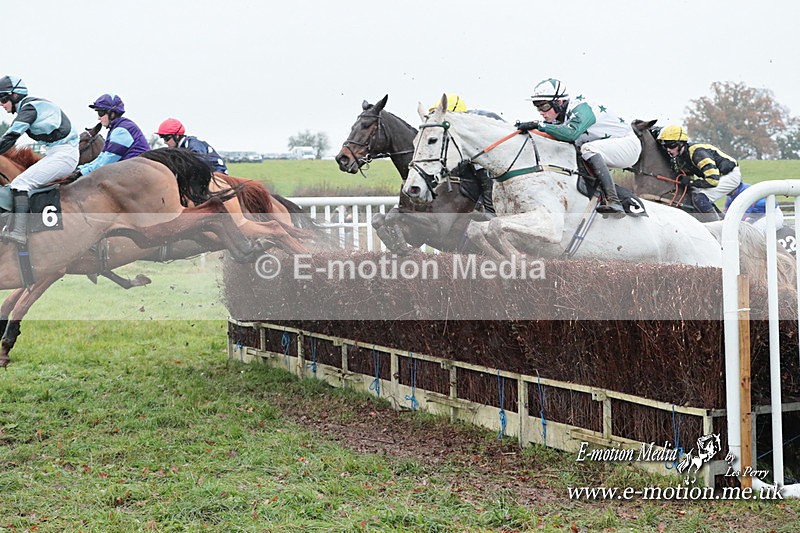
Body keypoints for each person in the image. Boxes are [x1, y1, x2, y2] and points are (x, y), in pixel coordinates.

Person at [514, 78, 641, 215]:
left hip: (627, 145)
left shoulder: (581, 107)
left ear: (559, 102)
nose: (541, 112)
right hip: (607, 148)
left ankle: (614, 201)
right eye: (538, 107)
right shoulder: (558, 118)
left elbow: (570, 134)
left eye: (544, 106)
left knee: (588, 149)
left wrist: (539, 125)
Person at [0, 75, 79, 244]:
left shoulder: (29, 108)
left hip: (64, 154)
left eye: (3, 98)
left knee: (20, 184)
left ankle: (19, 232)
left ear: (15, 96)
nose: (1, 104)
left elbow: (11, 136)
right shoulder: (29, 106)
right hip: (57, 153)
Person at [428, 94, 498, 214]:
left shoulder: (479, 119)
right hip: (473, 163)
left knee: (486, 186)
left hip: (489, 165)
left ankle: (491, 214)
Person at [657, 124, 742, 219]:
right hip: (719, 176)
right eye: (665, 146)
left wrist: (691, 182)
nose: (668, 149)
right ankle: (723, 219)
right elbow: (688, 176)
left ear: (681, 143)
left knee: (700, 198)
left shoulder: (697, 153)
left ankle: (717, 225)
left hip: (730, 175)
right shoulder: (680, 156)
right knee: (696, 196)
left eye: (671, 145)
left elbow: (712, 181)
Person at [71, 94, 150, 179]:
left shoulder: (121, 130)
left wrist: (82, 173)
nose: (98, 118)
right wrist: (80, 169)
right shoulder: (115, 129)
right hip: (133, 170)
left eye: (100, 113)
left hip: (140, 174)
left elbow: (107, 162)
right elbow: (101, 158)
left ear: (112, 114)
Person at [155, 118, 227, 174]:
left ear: (176, 136)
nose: (165, 142)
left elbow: (199, 166)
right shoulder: (179, 148)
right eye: (163, 138)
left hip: (218, 174)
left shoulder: (193, 144)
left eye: (167, 138)